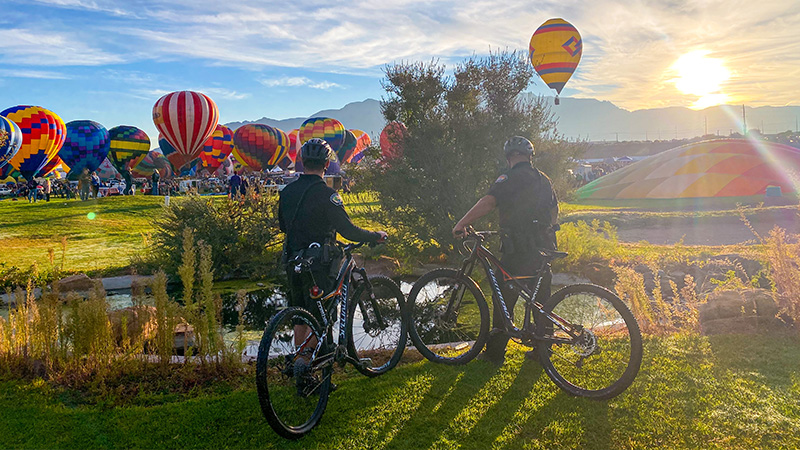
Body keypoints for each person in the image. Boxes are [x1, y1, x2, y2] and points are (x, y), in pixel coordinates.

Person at [278, 138, 387, 391]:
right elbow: (347, 230)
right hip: (320, 265)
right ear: (327, 164)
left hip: (293, 262)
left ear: (302, 162)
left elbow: (284, 226)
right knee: (323, 319)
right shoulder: (328, 195)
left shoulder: (286, 193)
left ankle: (303, 368)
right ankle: (305, 364)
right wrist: (374, 235)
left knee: (299, 315)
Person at [452, 136, 559, 365]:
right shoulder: (543, 179)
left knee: (503, 297)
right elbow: (553, 210)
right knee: (542, 300)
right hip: (543, 247)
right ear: (530, 156)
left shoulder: (508, 178)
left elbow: (489, 202)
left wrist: (461, 223)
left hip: (519, 249)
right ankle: (543, 351)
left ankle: (494, 353)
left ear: (509, 157)